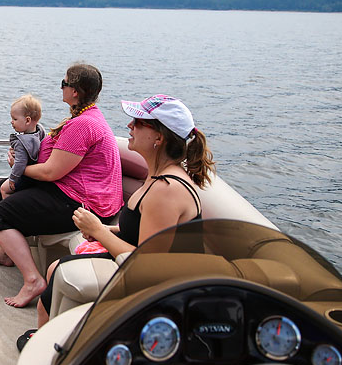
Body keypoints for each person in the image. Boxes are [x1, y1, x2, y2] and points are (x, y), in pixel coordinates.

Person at [34, 94, 215, 329]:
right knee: (54, 273)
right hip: (136, 263)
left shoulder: (166, 190)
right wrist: (108, 230)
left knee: (57, 272)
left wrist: (98, 230)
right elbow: (145, 231)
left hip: (154, 283)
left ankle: (54, 350)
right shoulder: (159, 176)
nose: (130, 126)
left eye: (139, 122)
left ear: (158, 137)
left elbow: (148, 261)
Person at [0, 63, 123, 308]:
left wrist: (20, 169)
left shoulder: (83, 125)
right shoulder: (87, 117)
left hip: (81, 205)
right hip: (75, 193)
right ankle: (6, 253)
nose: (61, 87)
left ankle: (33, 280)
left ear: (75, 91)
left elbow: (51, 171)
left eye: (64, 83)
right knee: (0, 188)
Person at [0, 94, 45, 199]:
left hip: (25, 178)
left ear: (27, 120)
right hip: (36, 175)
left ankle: (7, 209)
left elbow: (20, 163)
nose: (11, 122)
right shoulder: (40, 131)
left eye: (15, 119)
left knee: (3, 189)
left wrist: (12, 179)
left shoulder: (21, 143)